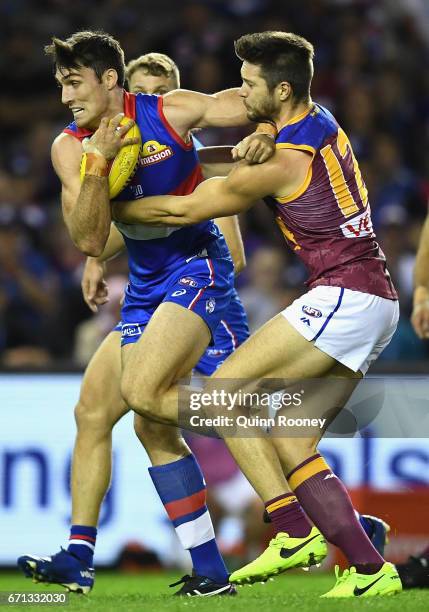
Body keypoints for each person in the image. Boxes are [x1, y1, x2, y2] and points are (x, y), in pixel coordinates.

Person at [112, 31, 402, 598]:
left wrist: (106, 196)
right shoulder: (314, 122)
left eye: (249, 84)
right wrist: (250, 135)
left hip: (342, 294)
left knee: (226, 392)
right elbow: (244, 151)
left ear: (283, 88)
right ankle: (373, 572)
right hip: (374, 300)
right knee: (294, 444)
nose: (241, 93)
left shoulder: (282, 161)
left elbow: (183, 208)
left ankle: (291, 528)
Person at [17, 34, 273, 597]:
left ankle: (332, 521)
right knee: (106, 413)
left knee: (207, 412)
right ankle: (89, 556)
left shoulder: (184, 138)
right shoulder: (74, 147)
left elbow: (233, 252)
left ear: (110, 83)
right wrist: (101, 177)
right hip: (147, 291)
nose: (64, 97)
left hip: (203, 285)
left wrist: (265, 132)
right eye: (60, 84)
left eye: (72, 82)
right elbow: (89, 237)